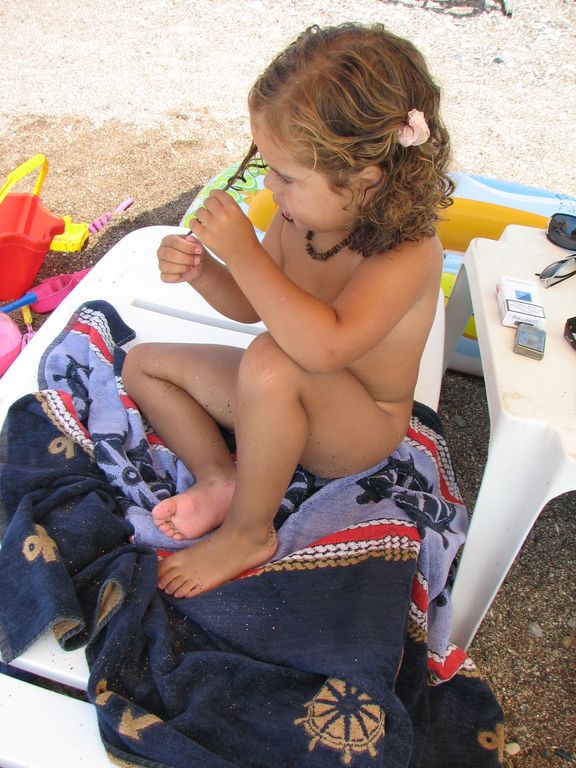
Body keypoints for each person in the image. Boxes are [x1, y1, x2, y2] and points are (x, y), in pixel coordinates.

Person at [122, 22, 454, 598]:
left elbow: (324, 348)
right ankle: (222, 478)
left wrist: (243, 251)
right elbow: (250, 304)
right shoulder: (298, 217)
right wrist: (203, 271)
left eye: (287, 176)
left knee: (271, 359)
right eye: (269, 168)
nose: (271, 188)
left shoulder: (408, 252)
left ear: (365, 181)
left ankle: (249, 532)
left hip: (356, 427)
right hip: (277, 392)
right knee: (143, 364)